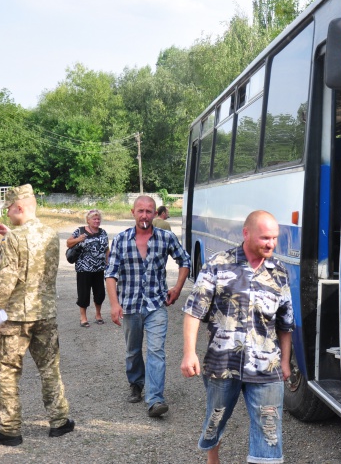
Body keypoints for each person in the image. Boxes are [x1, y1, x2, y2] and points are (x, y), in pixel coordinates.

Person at [181, 210, 294, 464]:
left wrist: (285, 361)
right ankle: (213, 458)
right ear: (246, 233)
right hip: (223, 363)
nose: (271, 244)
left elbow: (286, 323)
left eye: (274, 238)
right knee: (216, 418)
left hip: (267, 367)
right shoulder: (218, 264)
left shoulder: (280, 272)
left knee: (269, 432)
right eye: (265, 237)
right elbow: (194, 311)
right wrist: (189, 353)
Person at [0, 184, 74, 446]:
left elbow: (5, 279)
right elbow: (31, 253)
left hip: (15, 319)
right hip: (45, 314)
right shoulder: (50, 234)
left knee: (7, 371)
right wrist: (10, 234)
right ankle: (59, 422)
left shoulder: (15, 239)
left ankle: (9, 430)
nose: (7, 214)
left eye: (9, 209)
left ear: (19, 206)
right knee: (49, 368)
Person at [105, 195, 190, 418]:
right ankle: (136, 383)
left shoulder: (165, 237)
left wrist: (177, 288)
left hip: (156, 305)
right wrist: (114, 304)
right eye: (140, 211)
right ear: (133, 212)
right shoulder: (122, 239)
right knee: (133, 351)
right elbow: (111, 274)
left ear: (155, 214)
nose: (144, 215)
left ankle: (155, 399)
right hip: (130, 306)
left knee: (156, 351)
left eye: (149, 211)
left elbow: (185, 261)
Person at [66, 209, 109, 327]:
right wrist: (78, 239)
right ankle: (83, 318)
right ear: (88, 220)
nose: (97, 221)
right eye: (94, 219)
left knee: (100, 293)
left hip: (99, 268)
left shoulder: (103, 232)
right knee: (84, 294)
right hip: (83, 269)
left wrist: (108, 262)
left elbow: (106, 249)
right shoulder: (80, 231)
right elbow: (68, 243)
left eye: (98, 219)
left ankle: (98, 315)